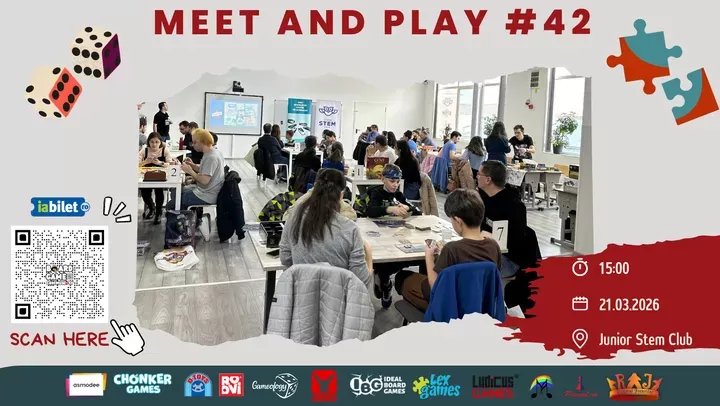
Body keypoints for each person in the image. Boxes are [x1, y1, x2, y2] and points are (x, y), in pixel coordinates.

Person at [394, 189, 502, 311]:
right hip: (481, 305)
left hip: (450, 308)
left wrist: (429, 257)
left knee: (402, 277)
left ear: (458, 221)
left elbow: (435, 288)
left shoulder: (452, 249)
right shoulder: (493, 246)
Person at [279, 168, 373, 288]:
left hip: (301, 293)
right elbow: (361, 281)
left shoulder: (295, 216)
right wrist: (368, 252)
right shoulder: (350, 229)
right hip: (339, 296)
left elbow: (285, 257)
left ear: (314, 189)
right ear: (341, 195)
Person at [476, 160, 529, 278]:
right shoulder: (485, 198)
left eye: (479, 174)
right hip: (489, 251)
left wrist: (491, 237)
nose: (477, 177)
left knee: (467, 266)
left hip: (509, 260)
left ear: (488, 180)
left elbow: (517, 241)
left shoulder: (514, 206)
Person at [166, 128, 225, 211]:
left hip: (207, 195)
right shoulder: (213, 152)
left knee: (171, 205)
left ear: (203, 142)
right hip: (206, 191)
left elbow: (204, 180)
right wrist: (192, 165)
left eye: (195, 142)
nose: (193, 145)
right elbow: (206, 170)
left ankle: (184, 216)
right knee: (176, 191)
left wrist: (190, 171)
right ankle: (185, 214)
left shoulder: (211, 157)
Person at [138, 132, 177, 224]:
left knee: (159, 191)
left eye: (156, 142)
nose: (154, 144)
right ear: (148, 142)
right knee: (145, 193)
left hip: (161, 176)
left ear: (160, 142)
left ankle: (158, 213)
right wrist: (145, 162)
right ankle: (152, 208)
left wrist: (160, 163)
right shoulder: (144, 150)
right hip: (146, 176)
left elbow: (170, 164)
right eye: (152, 142)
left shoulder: (164, 150)